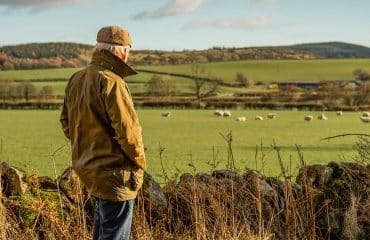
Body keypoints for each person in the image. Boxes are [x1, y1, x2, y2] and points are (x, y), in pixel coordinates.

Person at [60, 25, 147, 240]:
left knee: (101, 233)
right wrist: (140, 164)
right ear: (123, 51)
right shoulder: (113, 82)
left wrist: (89, 148)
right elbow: (129, 133)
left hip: (90, 171)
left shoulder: (77, 79)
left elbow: (66, 122)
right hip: (116, 175)